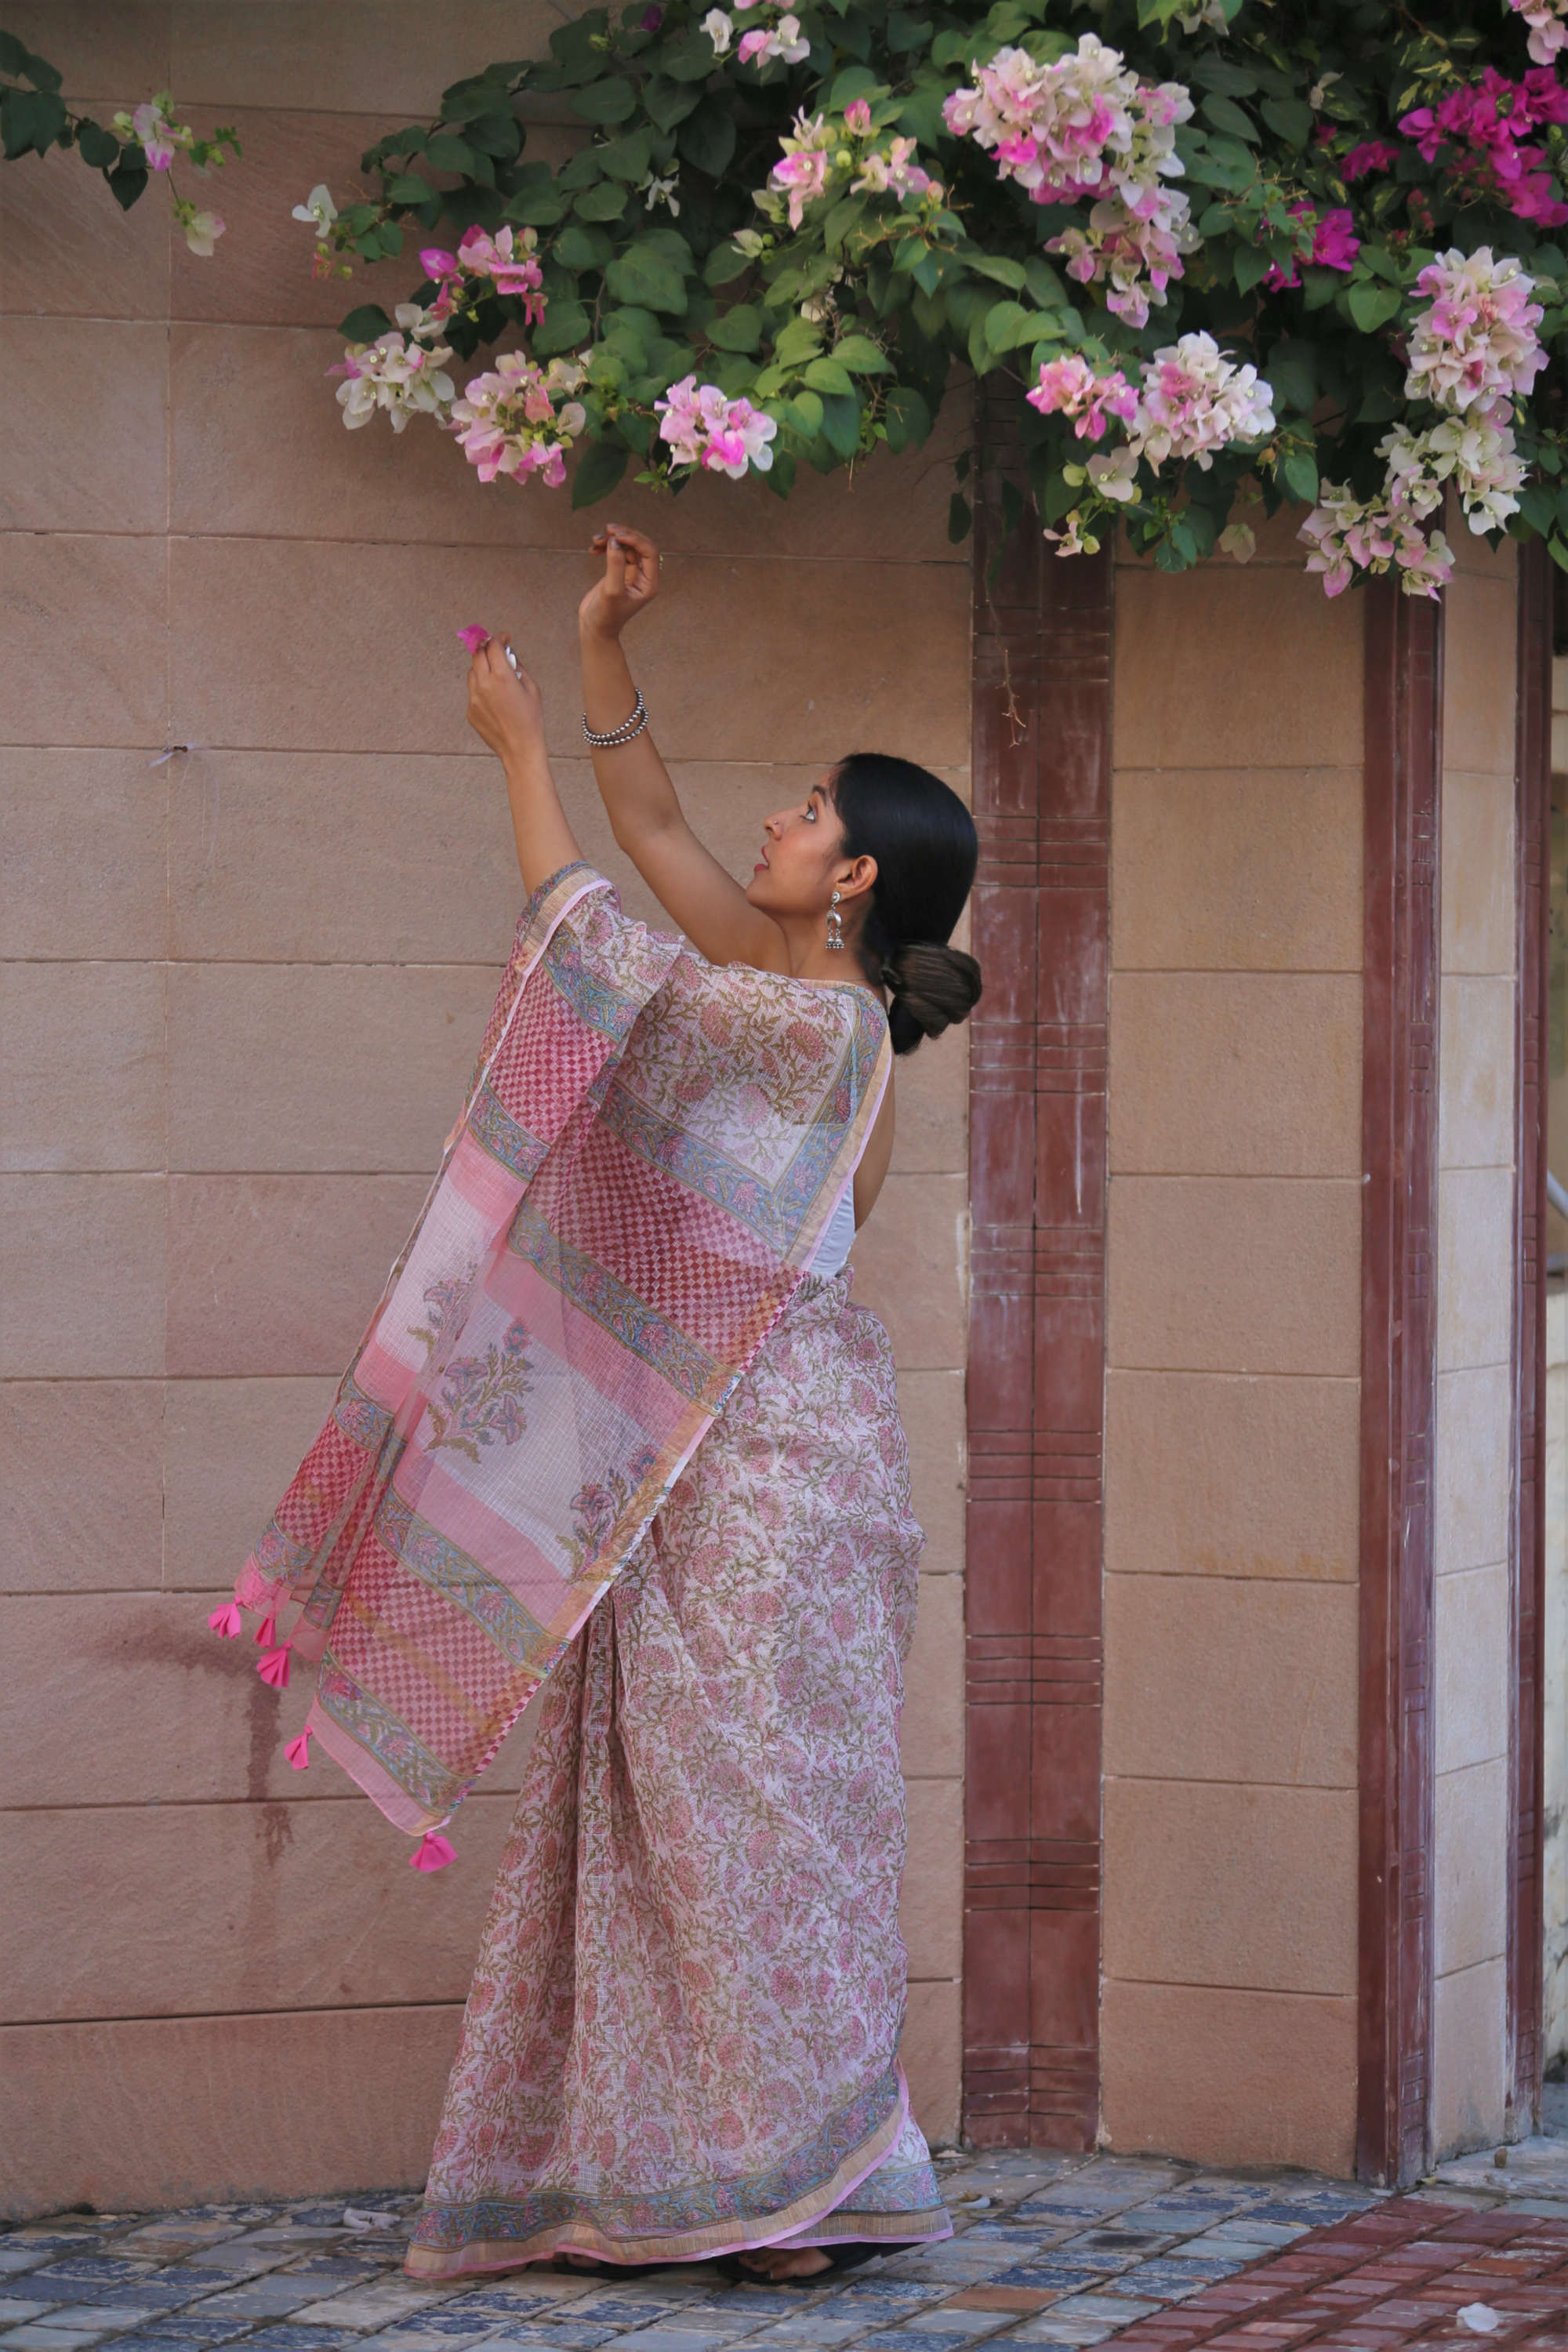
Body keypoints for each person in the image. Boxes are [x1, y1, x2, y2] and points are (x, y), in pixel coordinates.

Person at [226, 523, 981, 2286]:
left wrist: (511, 761)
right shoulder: (779, 993)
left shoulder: (817, 1035)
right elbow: (649, 841)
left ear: (857, 876)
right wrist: (592, 647)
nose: (773, 822)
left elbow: (602, 965)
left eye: (804, 808)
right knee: (663, 1817)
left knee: (749, 1820)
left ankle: (788, 2178)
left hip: (774, 1478)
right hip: (698, 1469)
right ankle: (708, 2172)